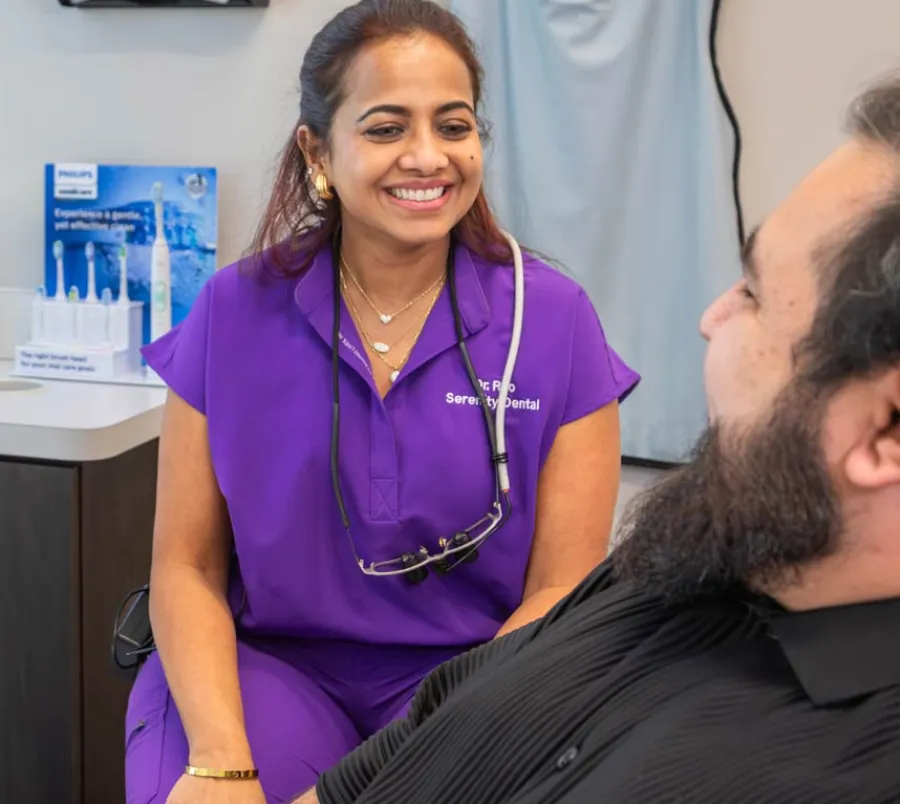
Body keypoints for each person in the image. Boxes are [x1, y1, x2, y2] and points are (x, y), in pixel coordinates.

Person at [292, 74, 900, 804]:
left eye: (753, 294)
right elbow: (434, 725)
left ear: (885, 431)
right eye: (386, 128)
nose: (712, 317)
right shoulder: (686, 556)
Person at [124, 0, 639, 804]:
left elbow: (559, 589)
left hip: (478, 681)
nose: (429, 156)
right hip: (262, 668)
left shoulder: (552, 320)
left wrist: (437, 747)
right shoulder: (234, 309)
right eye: (387, 127)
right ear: (318, 150)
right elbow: (185, 565)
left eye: (455, 124)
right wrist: (222, 759)